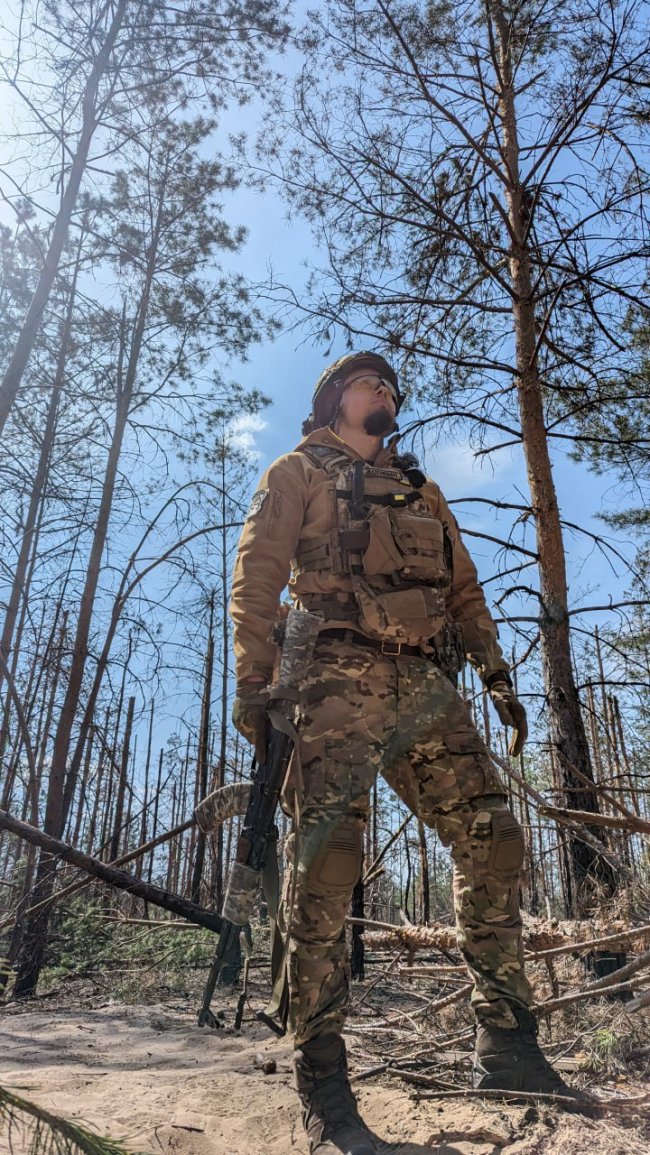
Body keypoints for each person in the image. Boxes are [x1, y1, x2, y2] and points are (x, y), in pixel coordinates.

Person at [230, 352, 588, 1155]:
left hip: (424, 686)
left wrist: (496, 675)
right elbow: (256, 577)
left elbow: (464, 593)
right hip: (329, 676)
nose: (385, 392)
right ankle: (323, 1081)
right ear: (333, 400)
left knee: (493, 838)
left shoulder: (425, 492)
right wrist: (257, 688)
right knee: (327, 861)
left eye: (393, 386)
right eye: (370, 383)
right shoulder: (298, 471)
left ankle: (508, 1045)